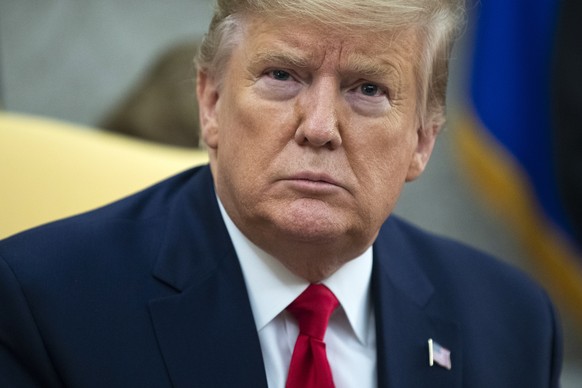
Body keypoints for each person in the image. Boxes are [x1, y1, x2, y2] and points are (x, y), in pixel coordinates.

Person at [0, 0, 562, 387]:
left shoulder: (512, 324)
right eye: (282, 76)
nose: (319, 126)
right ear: (212, 103)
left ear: (422, 140)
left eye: (367, 89)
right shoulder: (42, 305)